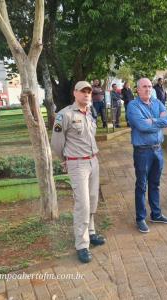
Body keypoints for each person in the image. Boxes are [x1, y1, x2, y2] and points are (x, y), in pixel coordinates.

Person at [51, 81, 105, 264]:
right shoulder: (64, 115)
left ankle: (90, 233)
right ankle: (82, 244)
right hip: (77, 164)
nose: (87, 94)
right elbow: (57, 144)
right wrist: (66, 160)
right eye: (83, 91)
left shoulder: (90, 112)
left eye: (89, 91)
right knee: (82, 204)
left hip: (93, 161)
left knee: (92, 199)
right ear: (75, 93)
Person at [127, 78, 167, 233]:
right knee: (141, 185)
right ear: (138, 90)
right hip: (142, 151)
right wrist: (158, 121)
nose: (147, 89)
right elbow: (141, 126)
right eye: (144, 87)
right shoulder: (133, 105)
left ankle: (156, 214)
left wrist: (152, 121)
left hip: (158, 150)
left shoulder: (157, 102)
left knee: (155, 183)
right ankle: (140, 218)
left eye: (149, 86)